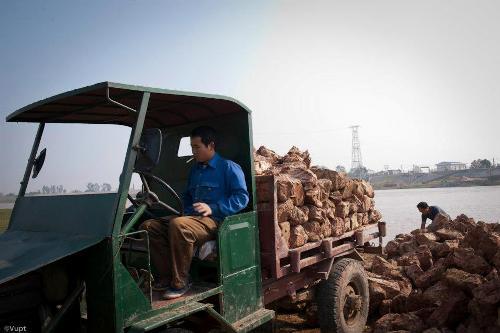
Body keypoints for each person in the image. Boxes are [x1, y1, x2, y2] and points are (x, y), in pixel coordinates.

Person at [140, 126, 249, 299]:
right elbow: (187, 197)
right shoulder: (196, 171)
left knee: (179, 225)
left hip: (215, 222)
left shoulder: (229, 167)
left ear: (211, 146)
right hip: (192, 219)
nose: (193, 151)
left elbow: (242, 198)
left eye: (197, 147)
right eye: (192, 147)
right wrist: (184, 212)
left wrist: (213, 208)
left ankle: (181, 281)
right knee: (149, 226)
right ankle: (166, 276)